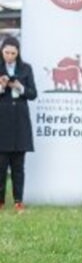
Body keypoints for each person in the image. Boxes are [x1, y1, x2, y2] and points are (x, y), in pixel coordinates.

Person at [0, 36, 37, 214]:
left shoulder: (26, 69)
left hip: (20, 122)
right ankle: (0, 200)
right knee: (1, 165)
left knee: (18, 166)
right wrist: (1, 87)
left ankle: (18, 201)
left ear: (18, 53)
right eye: (6, 52)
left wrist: (19, 87)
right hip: (2, 121)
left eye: (13, 53)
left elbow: (32, 94)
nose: (9, 56)